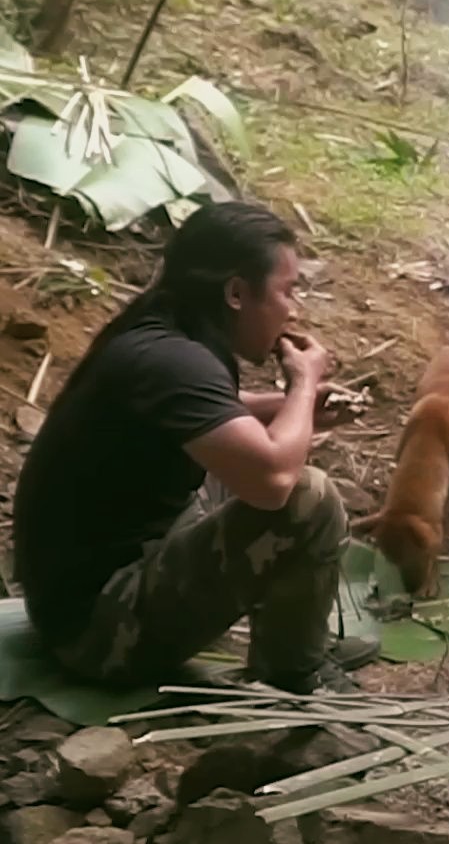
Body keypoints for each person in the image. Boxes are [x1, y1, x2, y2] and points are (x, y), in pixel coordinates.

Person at [10, 201, 378, 694]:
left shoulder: (162, 330)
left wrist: (290, 408)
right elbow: (271, 483)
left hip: (79, 591)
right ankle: (294, 675)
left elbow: (211, 410)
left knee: (235, 468)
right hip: (97, 633)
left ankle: (294, 638)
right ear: (235, 292)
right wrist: (302, 387)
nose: (294, 310)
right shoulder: (174, 360)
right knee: (306, 498)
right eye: (287, 292)